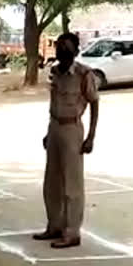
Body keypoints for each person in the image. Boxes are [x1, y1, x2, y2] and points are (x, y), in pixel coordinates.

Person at [33, 33, 99, 249]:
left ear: (76, 51)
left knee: (72, 183)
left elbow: (94, 103)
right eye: (60, 47)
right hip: (55, 127)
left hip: (72, 128)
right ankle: (55, 225)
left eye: (67, 48)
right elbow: (54, 103)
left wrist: (90, 136)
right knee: (52, 181)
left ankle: (72, 232)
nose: (62, 51)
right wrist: (47, 132)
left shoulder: (83, 74)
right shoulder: (54, 72)